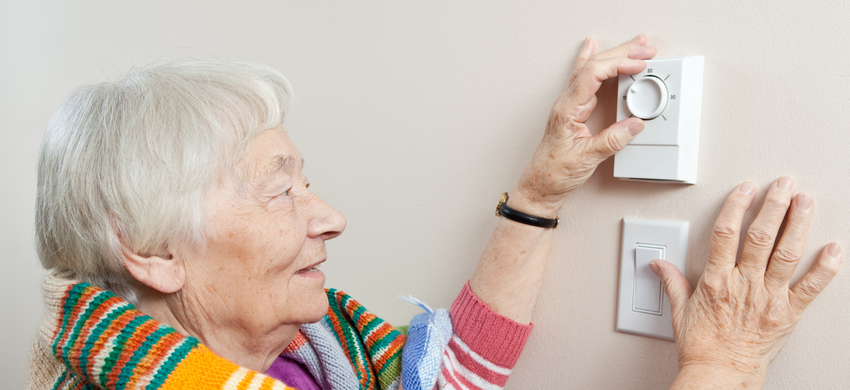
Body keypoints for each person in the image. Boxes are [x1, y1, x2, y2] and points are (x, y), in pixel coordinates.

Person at [27, 35, 841, 390]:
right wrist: (725, 368)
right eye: (282, 191)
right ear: (152, 251)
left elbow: (442, 381)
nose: (332, 217)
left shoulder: (303, 355)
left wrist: (539, 196)